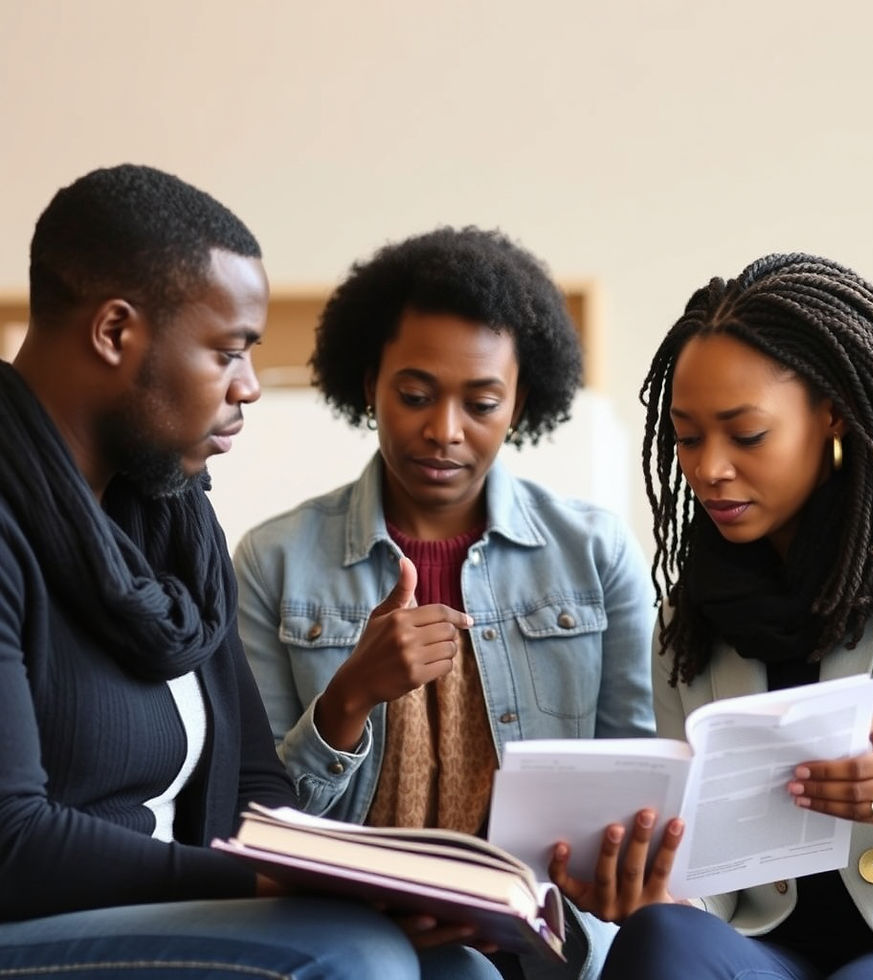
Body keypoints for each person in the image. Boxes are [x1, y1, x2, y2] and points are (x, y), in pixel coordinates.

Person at [0, 164, 500, 980]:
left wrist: (389, 880)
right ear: (115, 332)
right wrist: (276, 882)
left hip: (161, 919)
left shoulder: (172, 523)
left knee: (458, 972)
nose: (249, 387)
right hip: (29, 928)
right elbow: (11, 842)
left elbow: (253, 797)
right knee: (355, 957)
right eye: (227, 353)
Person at [233, 226, 656, 980]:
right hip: (355, 938)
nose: (444, 431)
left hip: (554, 939)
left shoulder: (596, 554)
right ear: (369, 383)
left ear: (522, 402)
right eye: (416, 395)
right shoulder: (274, 561)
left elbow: (634, 781)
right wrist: (349, 697)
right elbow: (258, 825)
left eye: (482, 402)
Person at [547, 253, 873, 980]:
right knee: (659, 942)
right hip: (765, 950)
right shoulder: (692, 612)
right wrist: (659, 893)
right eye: (686, 437)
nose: (709, 468)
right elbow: (710, 870)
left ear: (832, 412)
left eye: (745, 435)